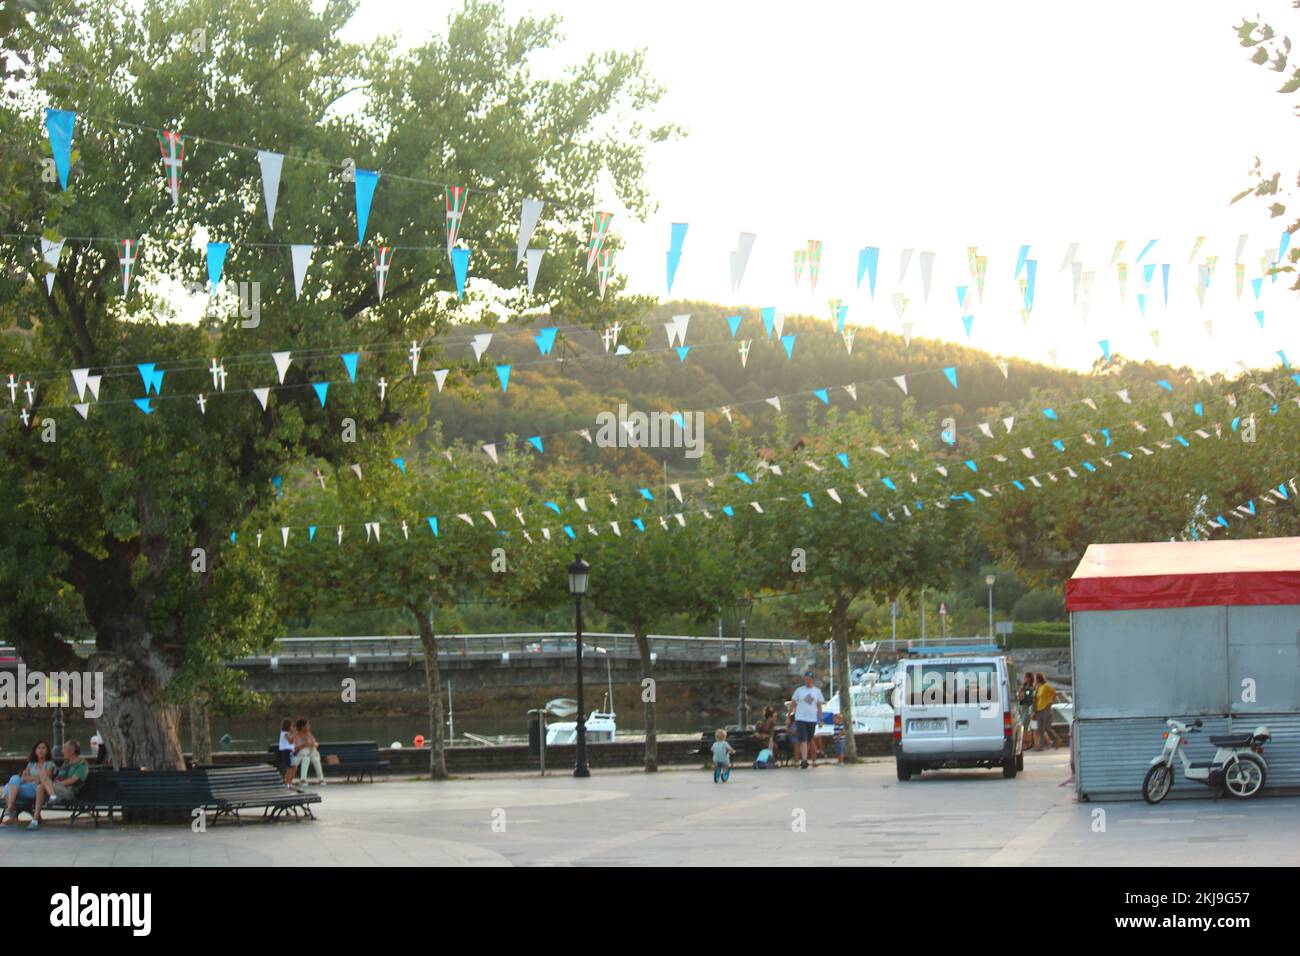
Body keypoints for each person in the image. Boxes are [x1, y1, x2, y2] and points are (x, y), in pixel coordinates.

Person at [27, 740, 88, 830]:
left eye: (64, 748)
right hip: (57, 788)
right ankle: (35, 820)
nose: (62, 751)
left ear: (72, 751)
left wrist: (55, 784)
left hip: (69, 791)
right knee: (40, 786)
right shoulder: (66, 763)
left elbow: (72, 780)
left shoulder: (82, 764)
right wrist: (53, 784)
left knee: (43, 780)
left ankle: (52, 796)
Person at [0, 740, 56, 826]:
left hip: (37, 790)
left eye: (43, 748)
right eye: (38, 748)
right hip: (26, 788)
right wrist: (33, 778)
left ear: (47, 751)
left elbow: (43, 779)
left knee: (8, 788)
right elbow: (24, 777)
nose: (41, 750)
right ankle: (11, 807)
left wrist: (29, 778)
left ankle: (11, 812)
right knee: (14, 779)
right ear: (35, 751)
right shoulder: (31, 764)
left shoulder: (49, 764)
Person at [791, 671, 825, 769]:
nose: (807, 681)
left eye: (808, 679)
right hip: (800, 718)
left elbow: (819, 707)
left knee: (809, 739)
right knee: (803, 739)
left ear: (812, 680)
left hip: (812, 719)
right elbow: (793, 703)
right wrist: (789, 716)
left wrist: (821, 719)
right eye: (805, 679)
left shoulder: (817, 691)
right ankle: (804, 760)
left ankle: (804, 758)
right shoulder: (799, 690)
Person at [292, 718, 326, 786]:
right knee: (305, 753)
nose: (309, 726)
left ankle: (321, 780)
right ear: (302, 727)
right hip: (298, 757)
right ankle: (303, 780)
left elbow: (315, 743)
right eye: (307, 725)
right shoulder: (295, 736)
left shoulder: (309, 734)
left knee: (315, 758)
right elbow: (294, 749)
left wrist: (313, 744)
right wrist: (304, 745)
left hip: (310, 755)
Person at [1034, 673, 1060, 751]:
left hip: (1045, 708)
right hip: (1039, 709)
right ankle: (1041, 746)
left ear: (1038, 679)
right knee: (1040, 729)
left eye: (1036, 678)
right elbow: (1036, 698)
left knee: (1047, 727)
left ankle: (1057, 739)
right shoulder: (1039, 687)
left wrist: (1050, 701)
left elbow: (1054, 692)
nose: (1035, 680)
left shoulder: (1046, 686)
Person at [1018, 673, 1037, 748]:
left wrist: (1023, 696)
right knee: (1025, 726)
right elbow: (1021, 697)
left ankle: (1025, 743)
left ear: (1029, 678)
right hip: (1023, 708)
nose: (1024, 678)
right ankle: (1028, 743)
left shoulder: (1030, 688)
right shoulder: (1024, 687)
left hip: (1028, 709)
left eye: (1025, 677)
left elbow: (1028, 698)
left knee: (1024, 726)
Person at [277, 718, 297, 785]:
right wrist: (294, 733)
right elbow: (290, 741)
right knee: (291, 767)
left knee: (293, 767)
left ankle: (289, 782)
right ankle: (288, 783)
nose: (293, 727)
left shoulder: (288, 733)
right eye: (291, 726)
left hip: (290, 752)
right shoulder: (284, 733)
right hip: (286, 752)